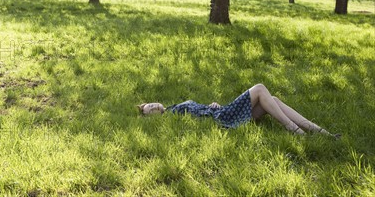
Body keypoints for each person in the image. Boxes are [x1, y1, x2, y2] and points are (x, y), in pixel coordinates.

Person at [137, 83, 341, 138]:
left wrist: (211, 105)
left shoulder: (174, 107)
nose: (154, 106)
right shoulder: (173, 116)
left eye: (151, 104)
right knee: (260, 88)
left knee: (275, 100)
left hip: (221, 112)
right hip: (224, 118)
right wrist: (212, 112)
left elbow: (199, 112)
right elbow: (197, 123)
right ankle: (292, 128)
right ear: (153, 118)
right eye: (150, 110)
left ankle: (322, 132)